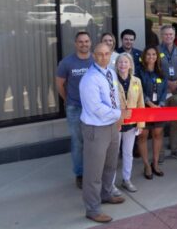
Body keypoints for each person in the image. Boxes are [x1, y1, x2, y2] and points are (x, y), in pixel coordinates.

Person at [79, 43, 130, 224]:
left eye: (107, 54)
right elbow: (95, 108)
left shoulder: (110, 72)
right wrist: (119, 114)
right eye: (99, 54)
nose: (103, 57)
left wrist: (117, 118)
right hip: (96, 128)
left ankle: (106, 193)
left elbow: (113, 96)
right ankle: (92, 209)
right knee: (93, 171)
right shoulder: (89, 78)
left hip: (111, 126)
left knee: (110, 165)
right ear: (94, 56)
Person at [55, 31, 94, 189]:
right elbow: (59, 85)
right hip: (75, 108)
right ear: (76, 44)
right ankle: (80, 173)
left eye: (86, 41)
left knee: (94, 142)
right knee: (78, 143)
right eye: (80, 42)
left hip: (93, 109)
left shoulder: (96, 60)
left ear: (90, 42)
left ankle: (93, 172)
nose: (84, 44)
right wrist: (68, 100)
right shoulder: (67, 62)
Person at [115, 53, 145, 192]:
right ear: (116, 65)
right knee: (113, 155)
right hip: (116, 123)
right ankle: (111, 183)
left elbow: (140, 102)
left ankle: (126, 179)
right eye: (120, 62)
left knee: (128, 153)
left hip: (132, 123)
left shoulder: (136, 81)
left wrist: (140, 123)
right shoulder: (112, 80)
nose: (123, 65)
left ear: (130, 65)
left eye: (125, 62)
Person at [158, 24, 177, 160]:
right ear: (162, 36)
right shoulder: (156, 51)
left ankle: (175, 148)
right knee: (160, 123)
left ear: (174, 35)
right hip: (161, 92)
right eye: (166, 34)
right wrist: (167, 83)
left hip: (176, 90)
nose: (168, 37)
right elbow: (153, 70)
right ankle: (159, 153)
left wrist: (176, 82)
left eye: (171, 34)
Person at [136, 46, 167, 179]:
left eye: (154, 54)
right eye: (148, 54)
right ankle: (146, 165)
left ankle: (155, 163)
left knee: (158, 134)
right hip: (144, 108)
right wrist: (150, 103)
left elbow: (165, 90)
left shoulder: (161, 72)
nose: (151, 57)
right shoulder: (139, 72)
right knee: (143, 136)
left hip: (158, 109)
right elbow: (138, 90)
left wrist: (160, 104)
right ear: (144, 56)